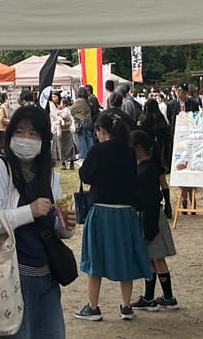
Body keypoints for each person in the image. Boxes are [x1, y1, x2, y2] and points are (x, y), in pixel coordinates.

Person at [0, 102, 77, 338]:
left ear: (43, 140)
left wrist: (66, 225)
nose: (26, 138)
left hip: (47, 278)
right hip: (13, 278)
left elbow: (56, 226)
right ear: (10, 135)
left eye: (33, 133)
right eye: (19, 132)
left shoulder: (48, 175)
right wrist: (28, 211)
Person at [75, 112, 153, 322]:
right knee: (125, 257)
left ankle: (93, 307)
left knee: (95, 258)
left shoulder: (97, 150)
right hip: (125, 211)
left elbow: (85, 175)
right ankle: (126, 307)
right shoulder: (129, 152)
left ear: (101, 130)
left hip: (101, 210)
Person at [129, 131, 177, 311]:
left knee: (157, 257)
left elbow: (149, 198)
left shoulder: (147, 169)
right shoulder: (145, 167)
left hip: (151, 216)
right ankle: (149, 297)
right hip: (147, 214)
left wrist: (149, 224)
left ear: (139, 148)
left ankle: (168, 296)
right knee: (149, 257)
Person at [49, 93, 76, 170]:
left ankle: (71, 162)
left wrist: (60, 116)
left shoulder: (66, 110)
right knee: (61, 148)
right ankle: (63, 163)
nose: (53, 98)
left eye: (55, 96)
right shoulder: (52, 106)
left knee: (70, 147)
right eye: (52, 97)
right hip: (59, 130)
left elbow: (67, 118)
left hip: (66, 130)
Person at [71, 87, 93, 159]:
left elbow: (72, 109)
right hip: (88, 121)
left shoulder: (79, 101)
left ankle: (84, 155)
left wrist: (76, 114)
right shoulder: (87, 101)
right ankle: (91, 153)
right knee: (88, 138)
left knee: (81, 139)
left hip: (80, 122)